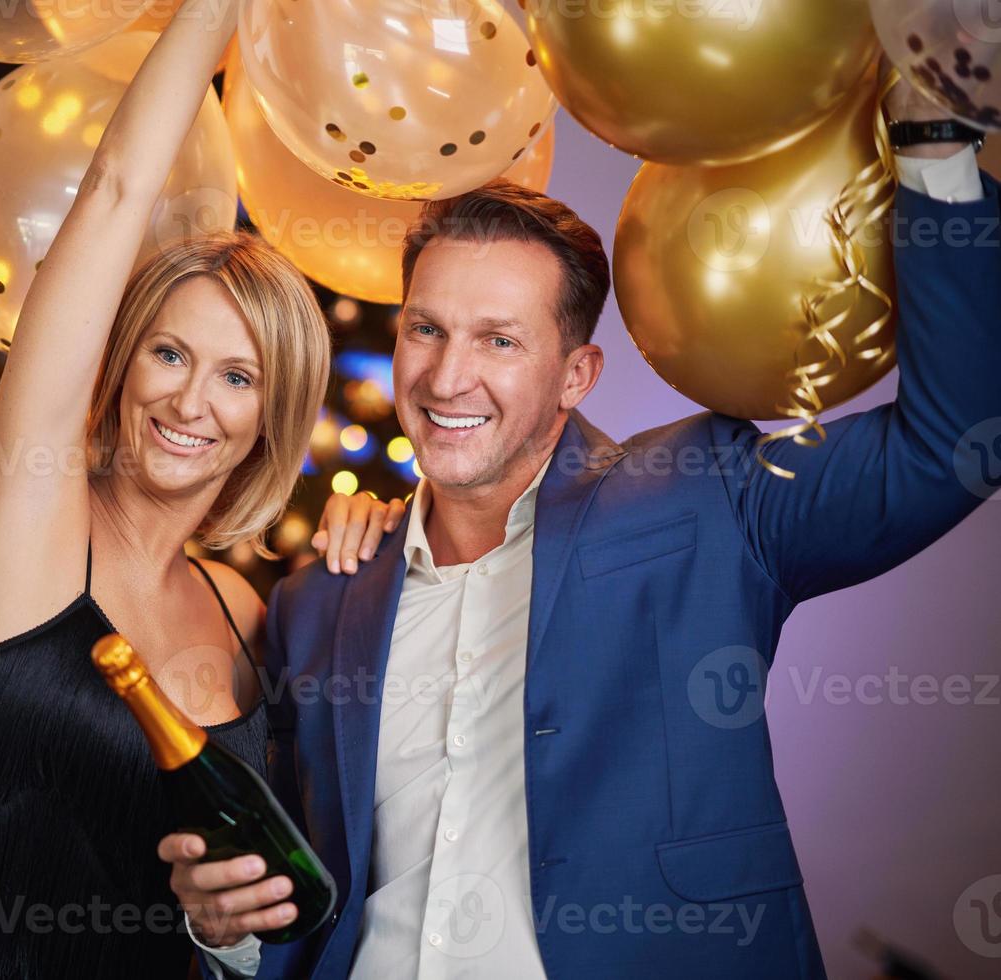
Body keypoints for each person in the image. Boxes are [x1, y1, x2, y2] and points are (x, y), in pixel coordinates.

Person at [161, 73, 1001, 978]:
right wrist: (228, 931)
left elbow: (955, 440)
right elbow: (304, 906)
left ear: (577, 374)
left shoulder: (704, 498)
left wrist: (933, 140)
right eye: (426, 330)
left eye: (500, 340)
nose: (446, 380)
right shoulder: (316, 600)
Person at [0, 1, 331, 975]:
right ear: (124, 359)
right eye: (170, 352)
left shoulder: (244, 615)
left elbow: (254, 890)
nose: (192, 398)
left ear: (272, 417)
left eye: (239, 376)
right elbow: (112, 192)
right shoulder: (41, 515)